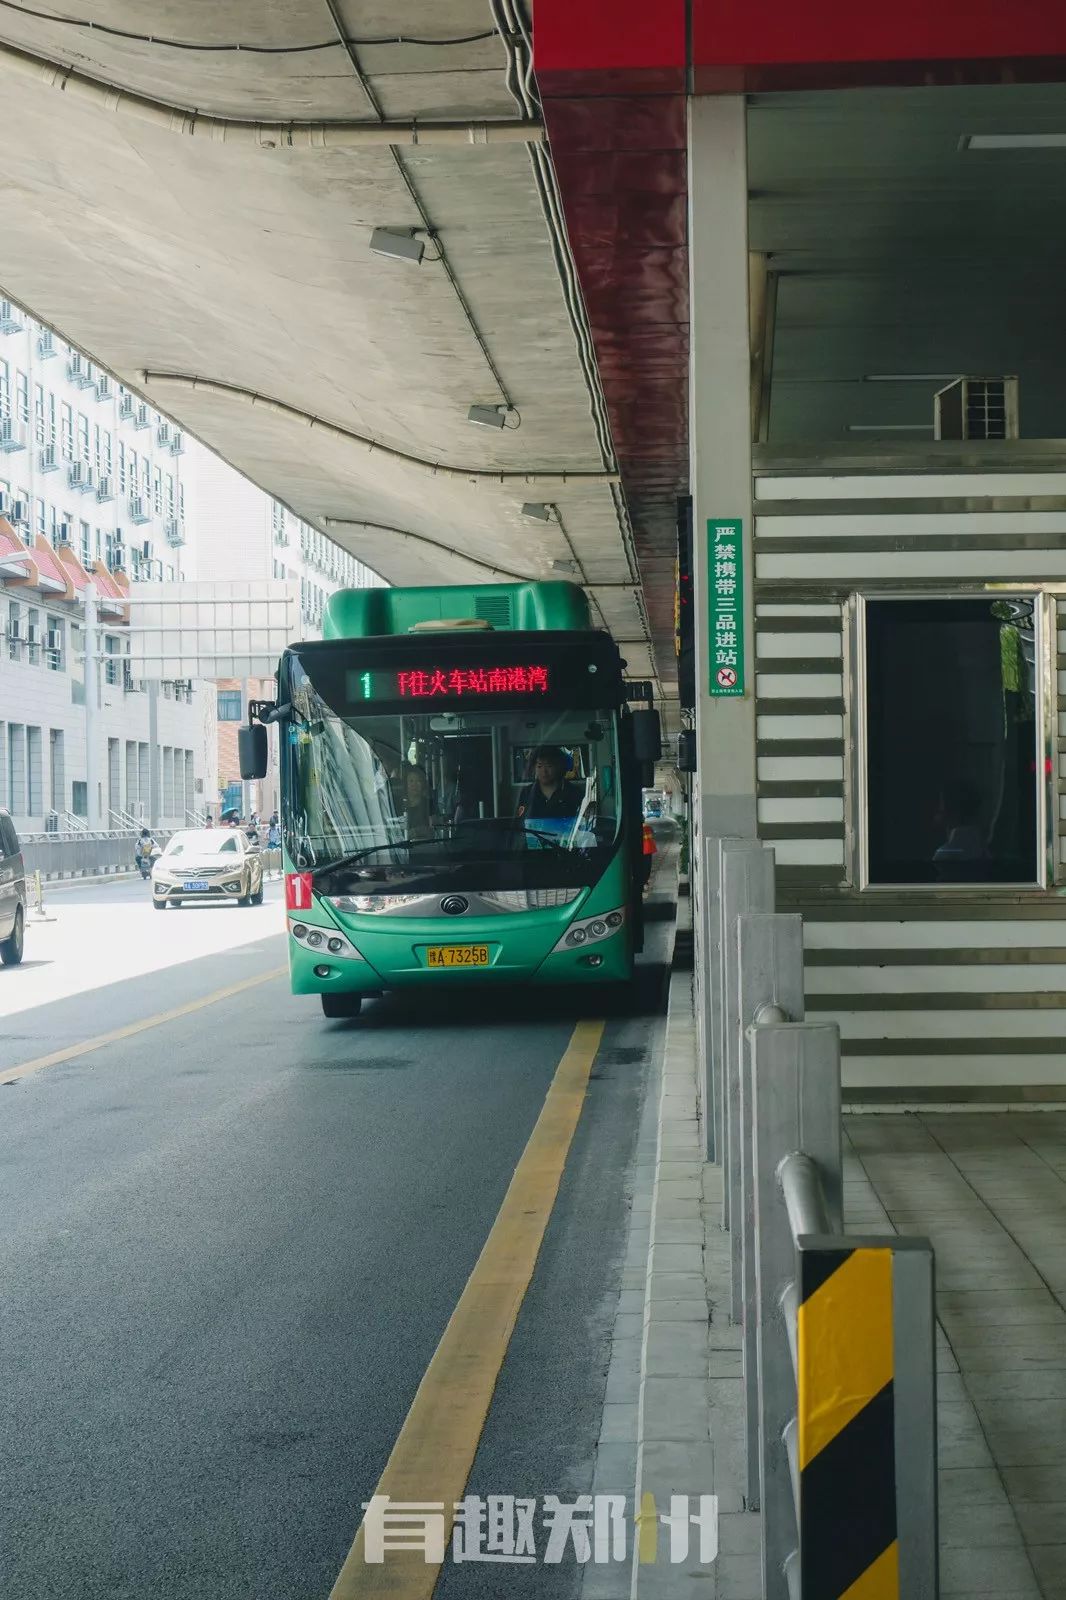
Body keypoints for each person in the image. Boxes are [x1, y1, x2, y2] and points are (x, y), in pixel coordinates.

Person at [517, 746, 582, 820]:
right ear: (534, 768)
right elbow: (521, 822)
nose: (544, 771)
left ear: (559, 766)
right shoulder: (527, 792)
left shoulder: (574, 792)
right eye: (539, 766)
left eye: (549, 766)